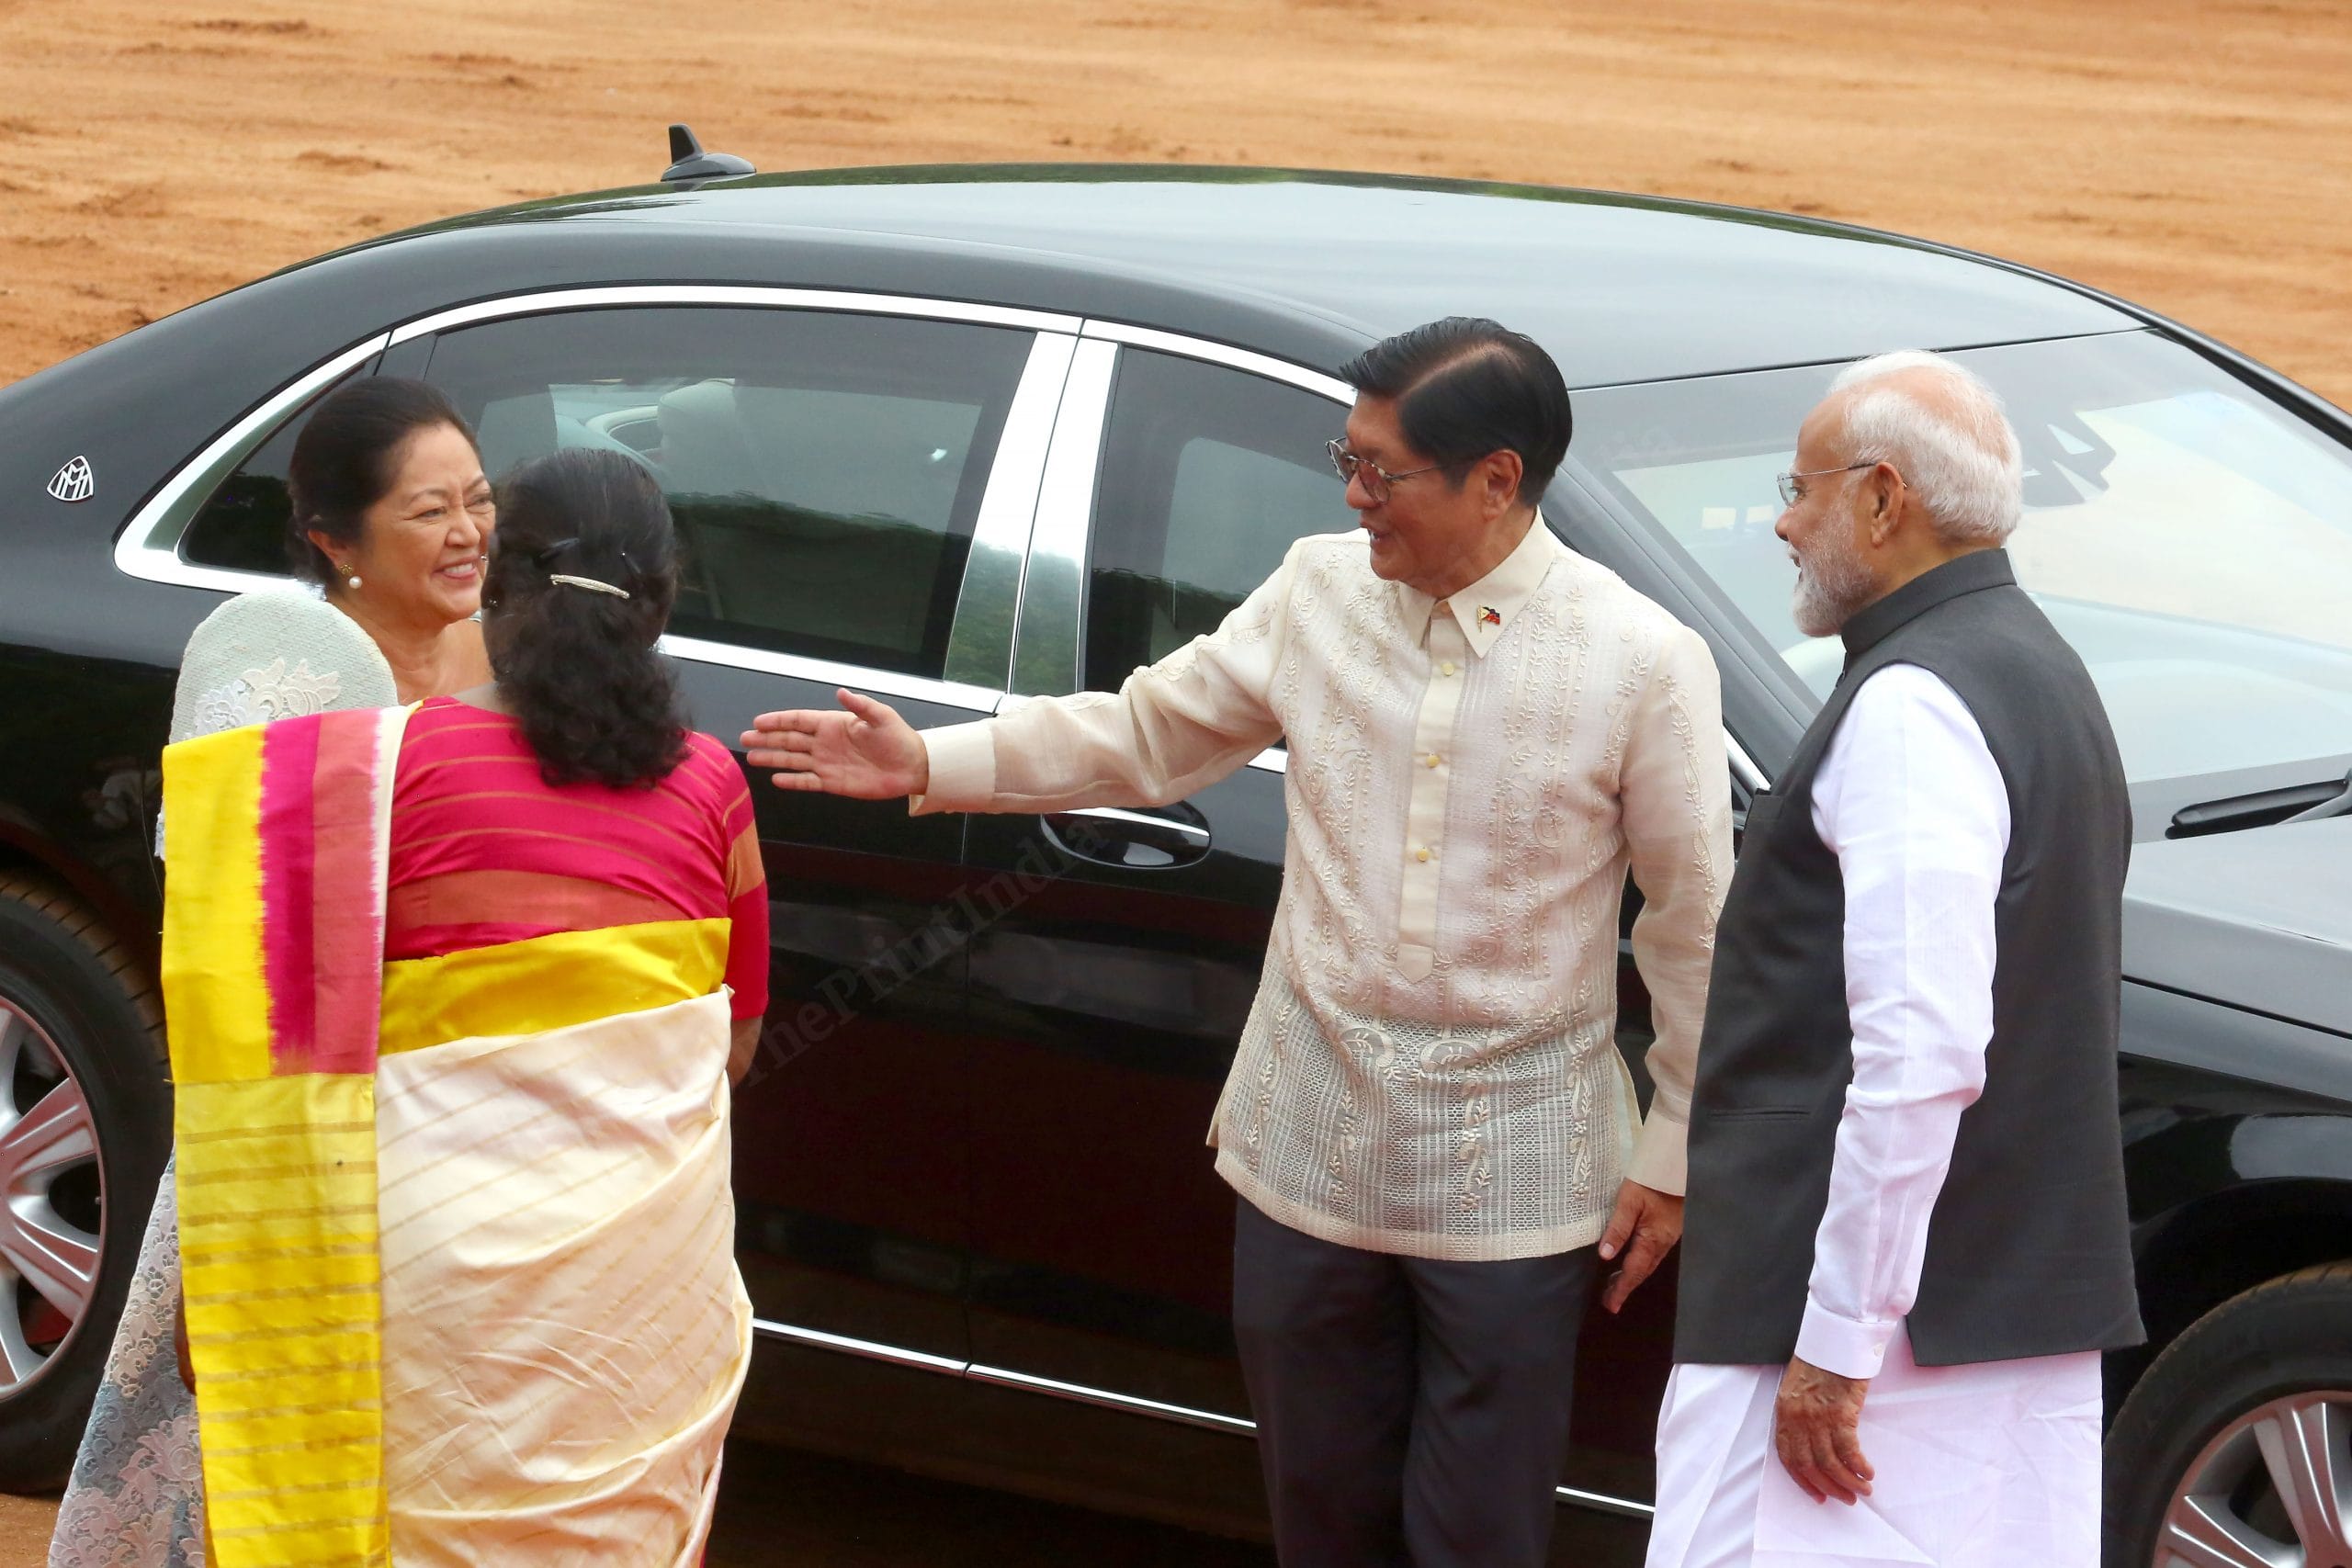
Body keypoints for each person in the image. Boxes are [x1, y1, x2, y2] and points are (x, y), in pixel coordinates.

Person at [744, 317, 1732, 1568]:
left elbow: (1697, 918)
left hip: (1512, 1185)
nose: (1355, 495)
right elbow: (1146, 736)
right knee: (1318, 1519)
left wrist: (1677, 1142)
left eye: (1386, 472)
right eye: (1348, 459)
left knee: (1479, 1533)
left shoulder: (1642, 659)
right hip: (1304, 1150)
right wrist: (930, 760)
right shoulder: (1320, 587)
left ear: (1498, 480)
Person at [153, 447, 763, 1565]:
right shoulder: (714, 787)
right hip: (643, 1306)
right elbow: (731, 1046)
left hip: (423, 1274)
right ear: (662, 601)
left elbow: (264, 1043)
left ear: (492, 582)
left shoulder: (365, 773)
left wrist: (219, 1282)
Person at [1647, 351, 2143, 1568]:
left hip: (1873, 1349)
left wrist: (1837, 1338)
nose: (1783, 518)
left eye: (1802, 487)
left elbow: (1922, 1053)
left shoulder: (1916, 702)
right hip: (1992, 1320)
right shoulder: (2041, 667)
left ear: (1881, 497)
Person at [53, 376, 496, 1568]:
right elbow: (236, 960)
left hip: (457, 1141)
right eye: (427, 511)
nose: (468, 533)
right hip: (295, 1146)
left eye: (479, 499)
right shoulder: (278, 665)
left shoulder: (490, 649)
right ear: (332, 537)